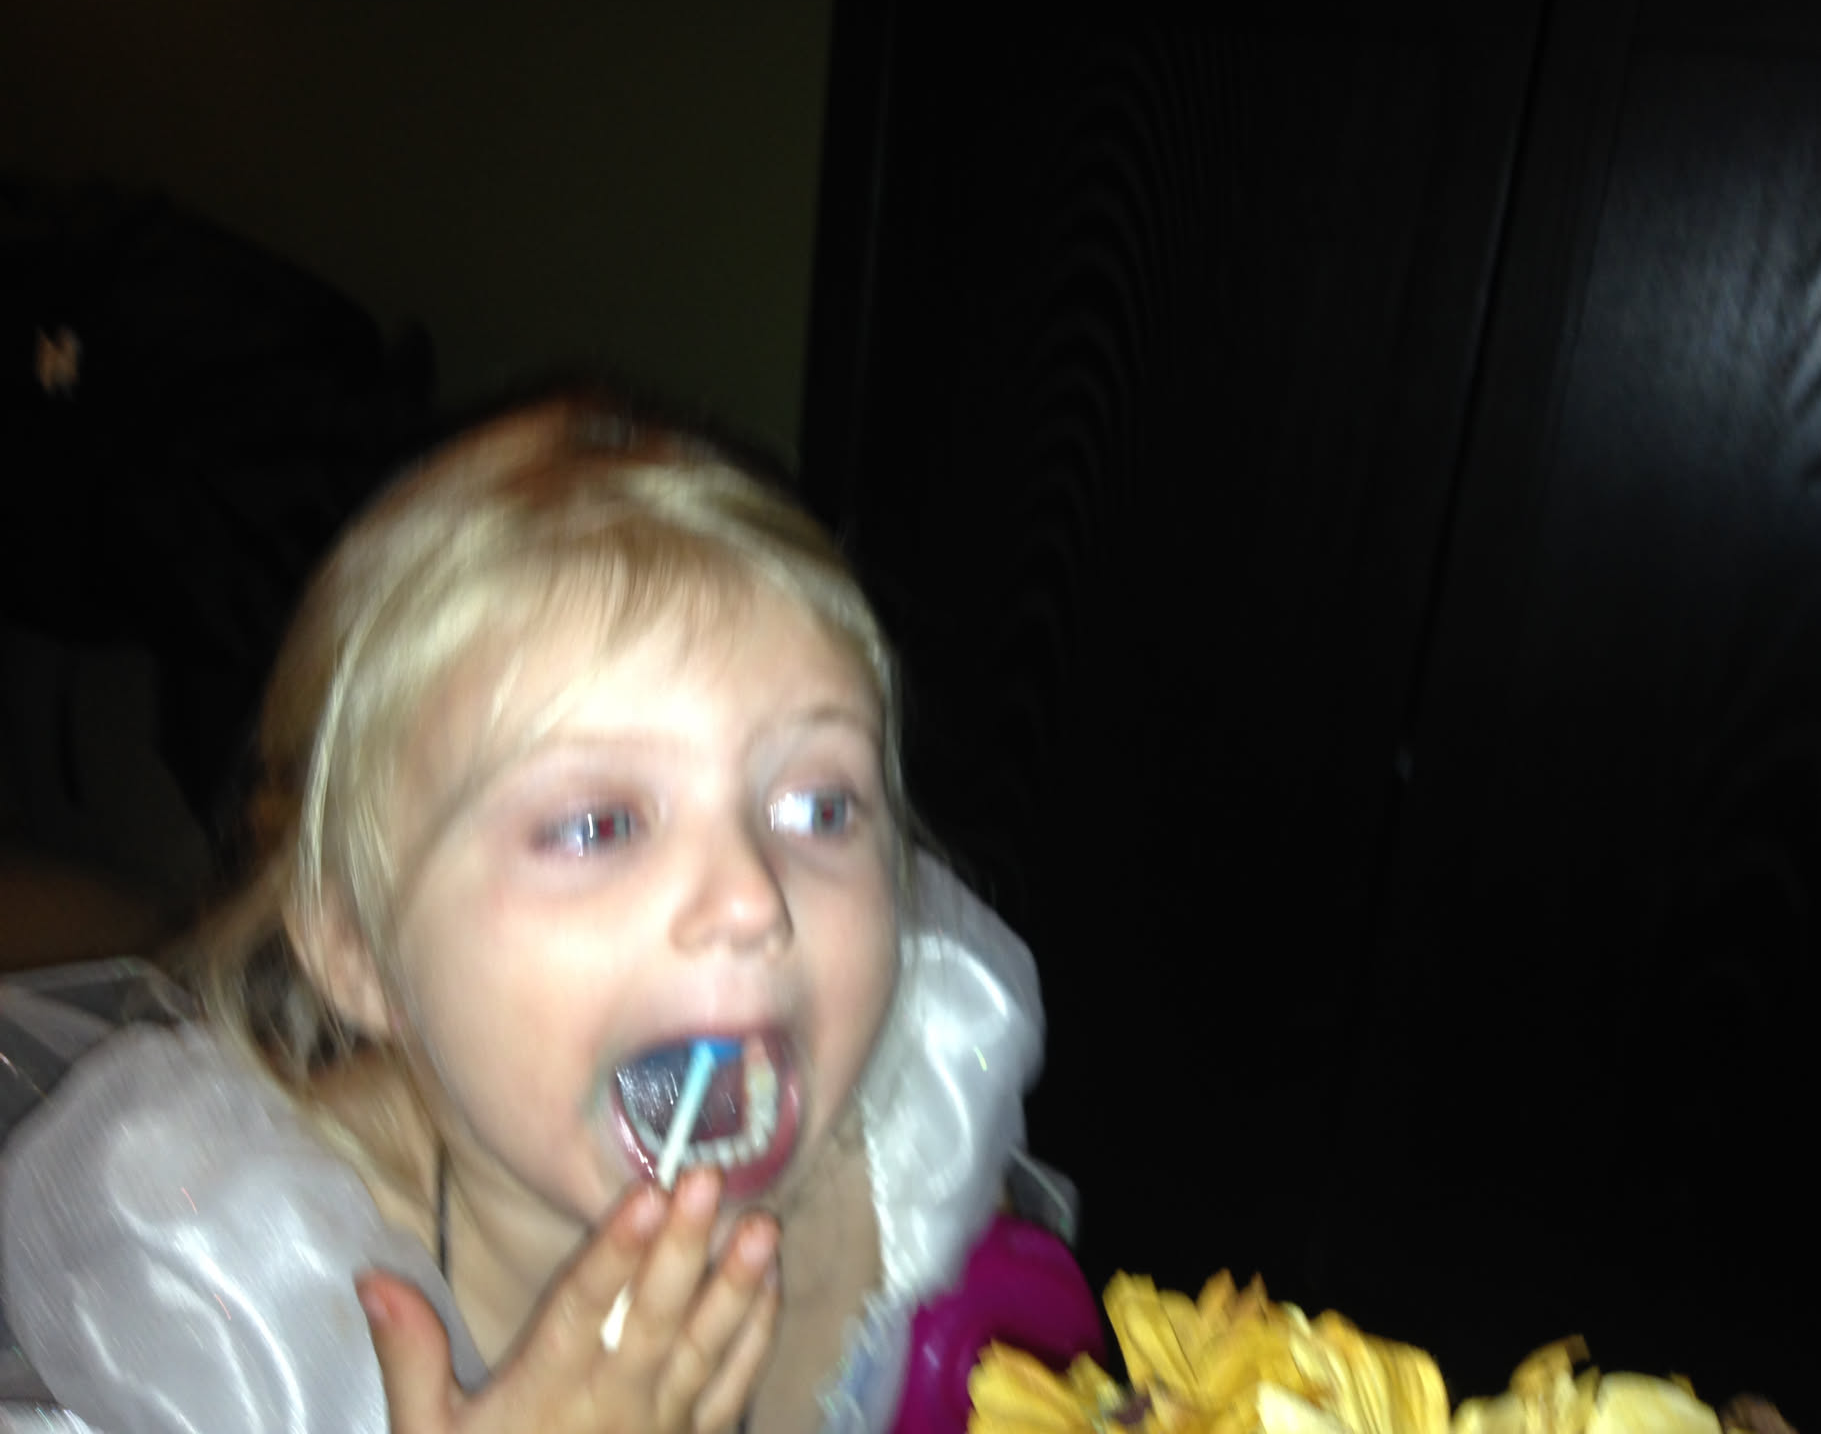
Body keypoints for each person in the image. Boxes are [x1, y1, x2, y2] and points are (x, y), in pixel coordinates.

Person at [0, 394, 1096, 1434]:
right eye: (597, 825)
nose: (750, 900)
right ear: (356, 950)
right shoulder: (235, 1296)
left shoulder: (914, 1144)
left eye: (821, 806)